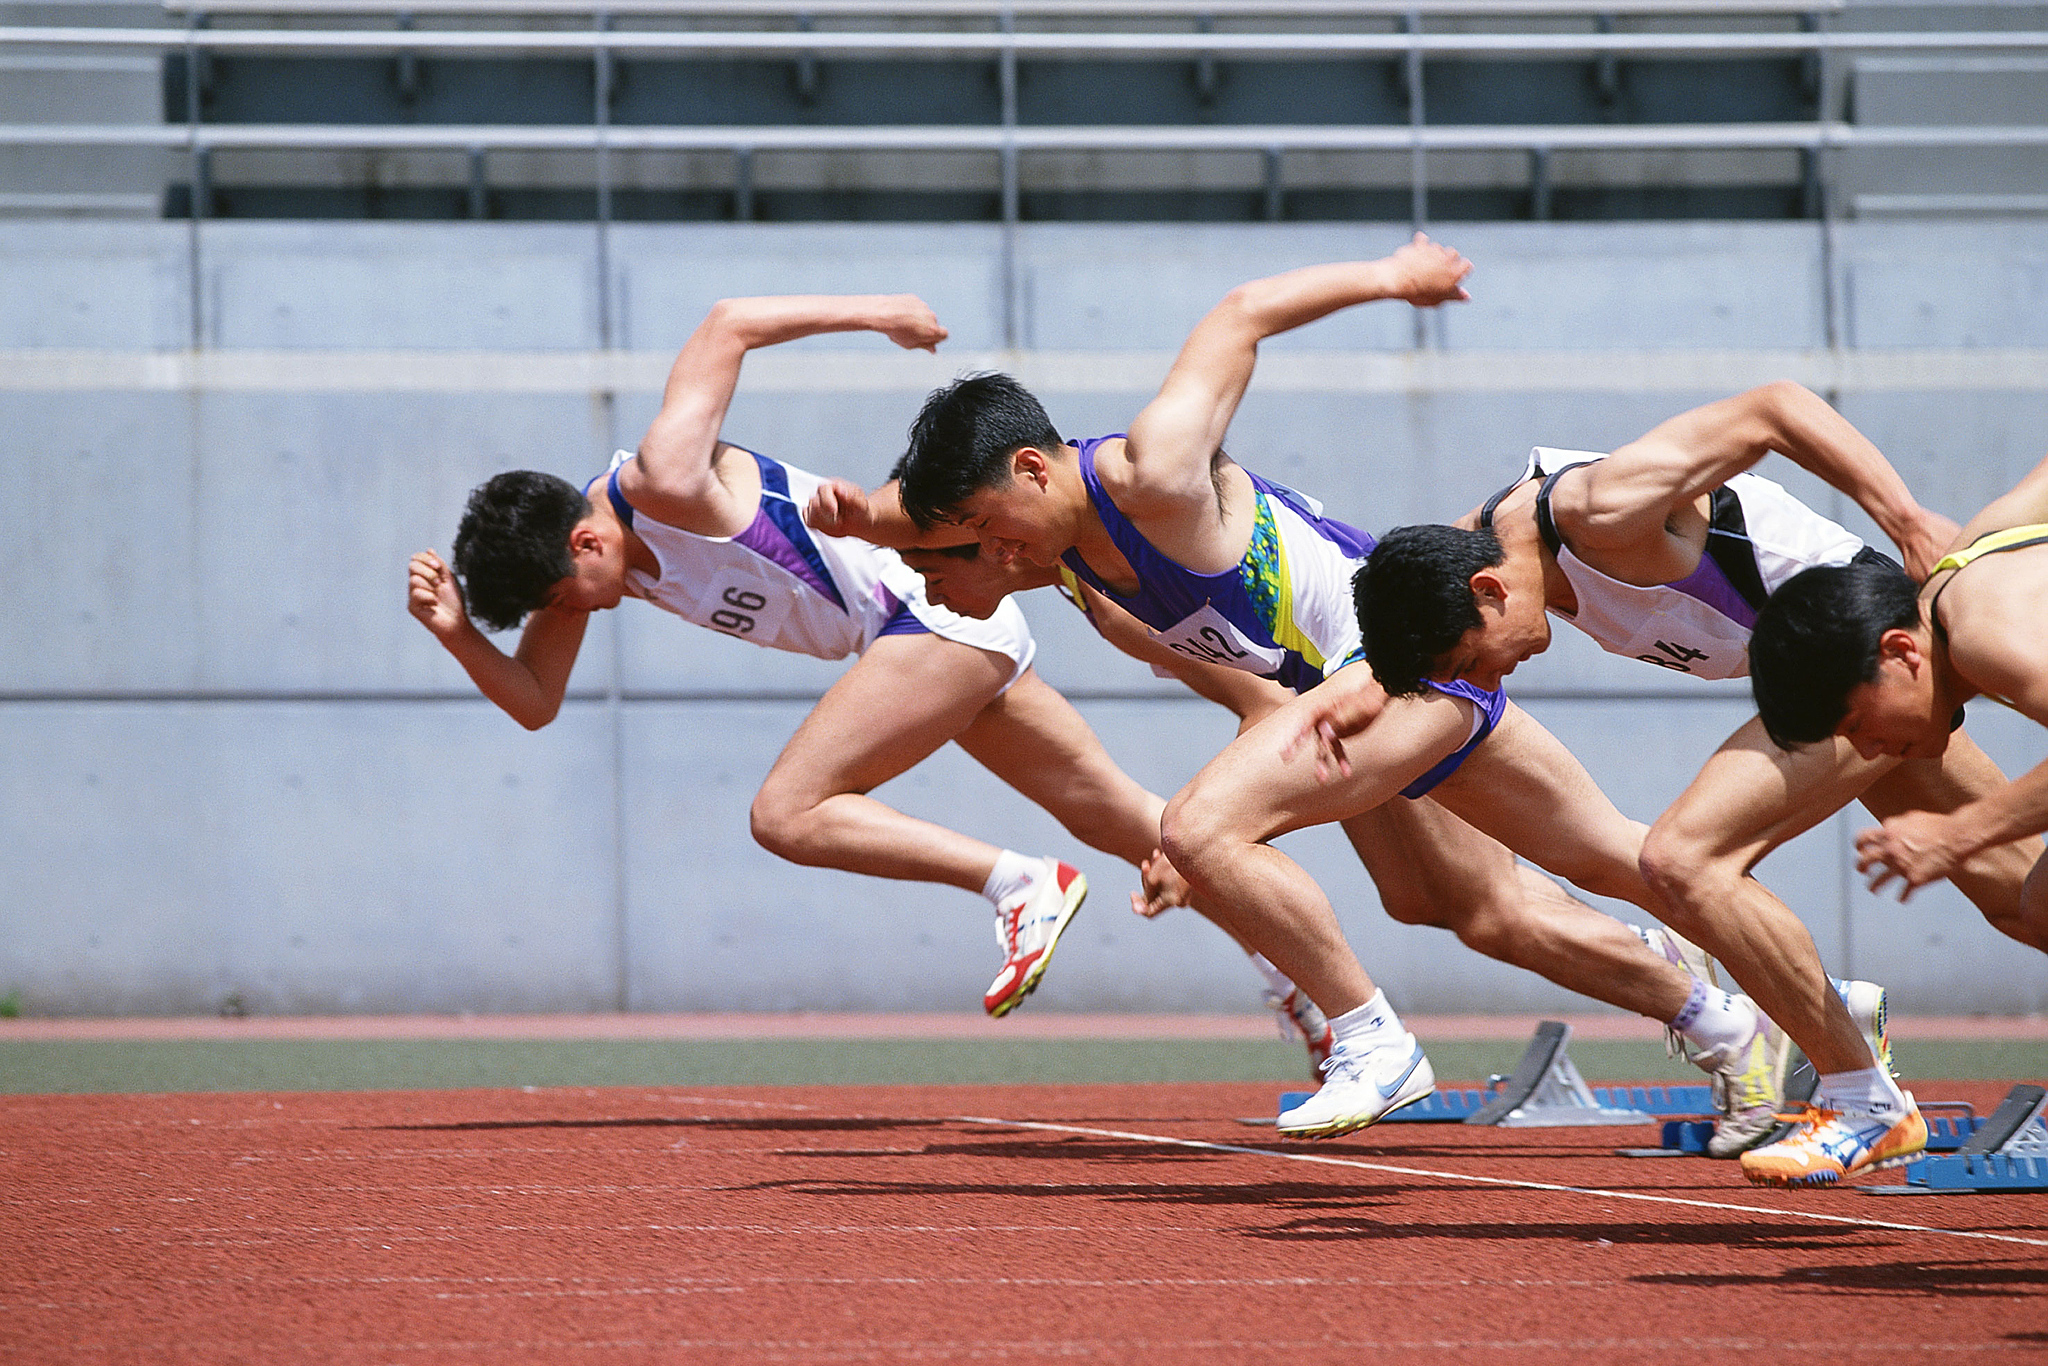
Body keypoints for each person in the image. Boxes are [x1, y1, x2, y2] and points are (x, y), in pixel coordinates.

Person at [848, 239, 1822, 1147]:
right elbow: (933, 530)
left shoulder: (1151, 471)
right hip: (1361, 690)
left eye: (985, 525)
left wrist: (1397, 276)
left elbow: (1239, 314)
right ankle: (1748, 1019)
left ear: (1029, 468)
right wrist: (844, 512)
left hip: (1399, 666)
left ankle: (1371, 1041)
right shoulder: (1065, 561)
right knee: (1522, 891)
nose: (988, 553)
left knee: (1196, 830)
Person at [406, 291, 1315, 1043]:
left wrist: (881, 314)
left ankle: (1020, 882)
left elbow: (727, 324)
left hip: (924, 612)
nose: (576, 614)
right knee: (1151, 833)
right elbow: (533, 701)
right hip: (940, 643)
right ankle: (1315, 994)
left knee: (785, 813)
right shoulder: (592, 570)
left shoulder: (662, 480)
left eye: (567, 595)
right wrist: (457, 631)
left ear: (583, 538)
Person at [1351, 380, 2037, 1186]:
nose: (1489, 678)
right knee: (2019, 893)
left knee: (1685, 860)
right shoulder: (1473, 550)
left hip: (1863, 661)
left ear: (1490, 593)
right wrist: (1340, 700)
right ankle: (1836, 1024)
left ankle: (1862, 1096)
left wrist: (1906, 515)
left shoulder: (1601, 510)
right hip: (1826, 691)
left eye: (1473, 663)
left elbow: (1773, 408)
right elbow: (1391, 648)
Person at [1747, 450, 2048, 924]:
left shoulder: (1981, 635)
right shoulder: (1973, 552)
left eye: (1858, 725)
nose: (1869, 752)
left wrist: (1960, 833)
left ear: (1900, 652)